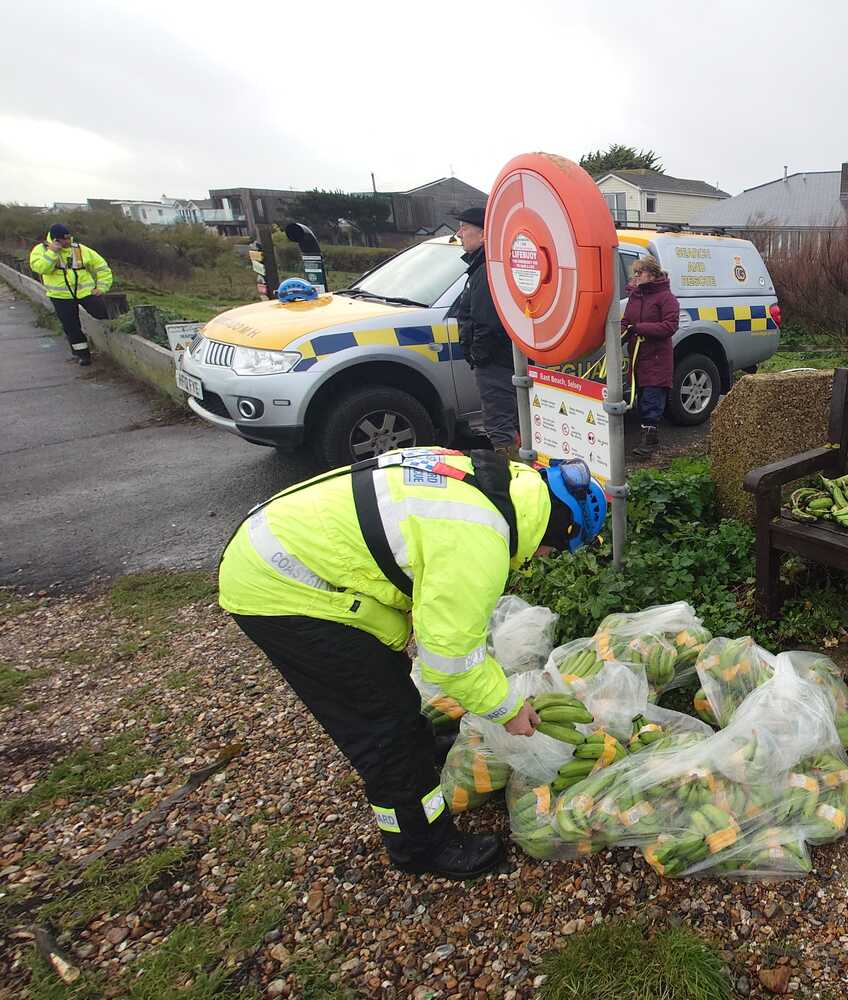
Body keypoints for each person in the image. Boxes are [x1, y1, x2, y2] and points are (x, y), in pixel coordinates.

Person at [218, 447, 606, 879]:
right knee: (382, 726)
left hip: (287, 543)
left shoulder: (493, 482)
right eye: (556, 550)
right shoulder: (479, 540)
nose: (544, 558)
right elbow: (451, 661)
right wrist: (508, 710)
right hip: (286, 587)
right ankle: (420, 845)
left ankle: (421, 754)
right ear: (558, 529)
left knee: (389, 690)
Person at [452, 207, 519, 459]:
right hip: (498, 360)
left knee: (499, 424)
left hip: (495, 363)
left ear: (484, 236)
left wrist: (478, 356)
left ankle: (510, 477)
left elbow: (488, 322)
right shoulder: (481, 266)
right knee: (507, 420)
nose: (459, 233)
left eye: (464, 227)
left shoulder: (486, 270)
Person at [29, 223, 113, 367]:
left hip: (86, 292)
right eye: (64, 240)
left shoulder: (80, 249)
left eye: (69, 239)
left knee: (104, 313)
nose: (68, 242)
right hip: (60, 296)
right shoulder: (41, 250)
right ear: (56, 240)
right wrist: (52, 253)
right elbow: (41, 268)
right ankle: (82, 355)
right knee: (71, 326)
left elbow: (102, 267)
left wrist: (102, 287)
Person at [622, 256, 679, 458]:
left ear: (652, 275)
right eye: (635, 273)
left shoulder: (666, 298)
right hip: (638, 357)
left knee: (652, 399)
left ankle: (649, 440)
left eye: (640, 272)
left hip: (657, 358)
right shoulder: (635, 296)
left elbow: (670, 326)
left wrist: (639, 328)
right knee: (641, 396)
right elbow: (627, 321)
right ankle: (648, 436)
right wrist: (619, 336)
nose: (636, 276)